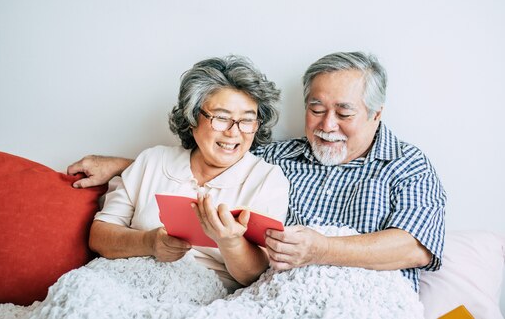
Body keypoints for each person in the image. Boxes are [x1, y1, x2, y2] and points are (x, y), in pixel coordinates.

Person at [69, 51, 446, 292]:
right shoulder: (280, 156)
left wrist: (321, 249)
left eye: (344, 113)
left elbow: (415, 247)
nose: (327, 124)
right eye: (316, 109)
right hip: (277, 298)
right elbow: (214, 153)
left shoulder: (407, 165)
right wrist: (124, 167)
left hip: (364, 298)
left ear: (376, 113)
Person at [86, 55, 289, 293]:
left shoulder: (267, 180)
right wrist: (150, 243)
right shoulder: (152, 160)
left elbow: (258, 275)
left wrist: (230, 242)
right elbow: (99, 236)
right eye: (222, 118)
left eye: (247, 120)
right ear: (192, 118)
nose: (234, 132)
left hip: (201, 294)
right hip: (120, 282)